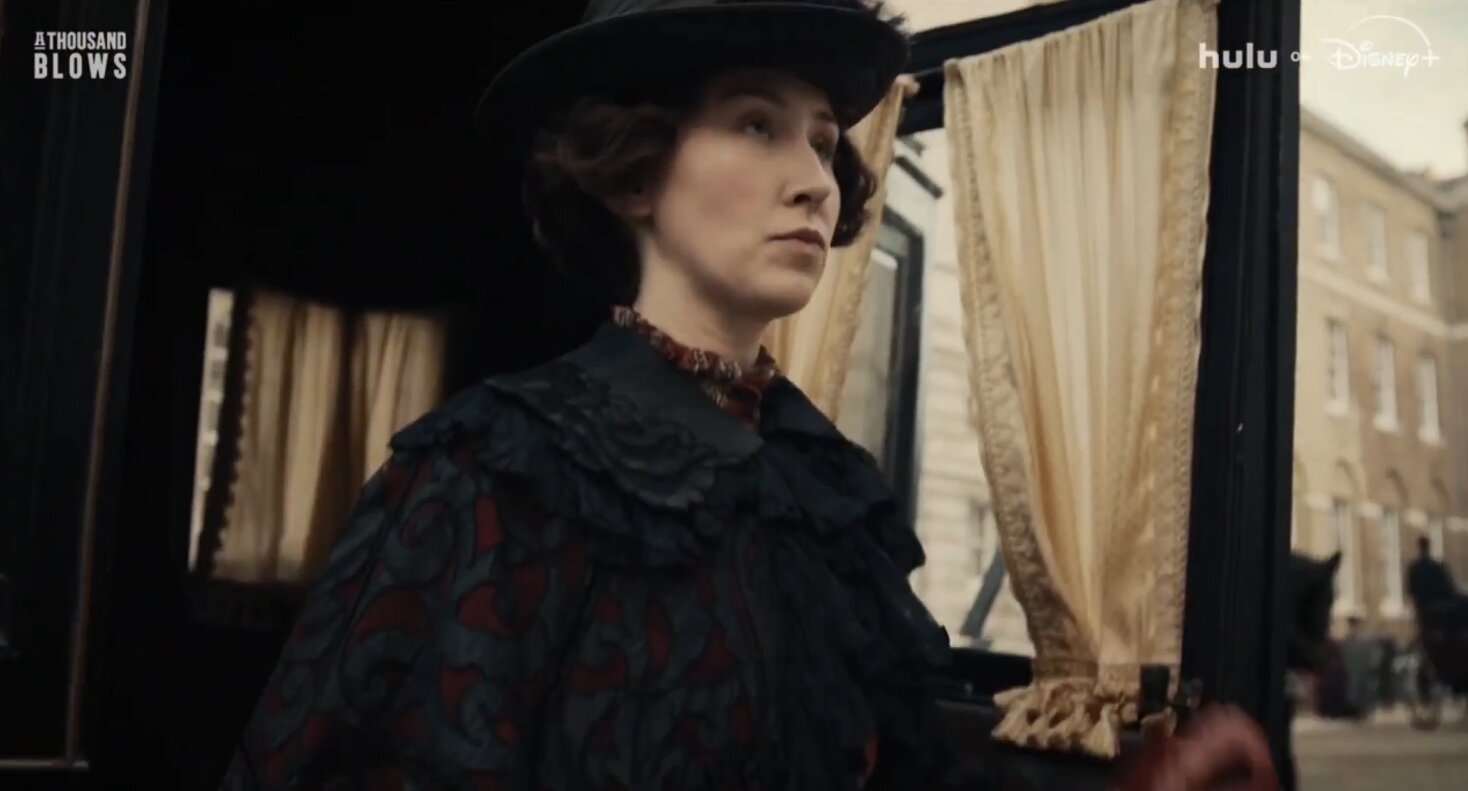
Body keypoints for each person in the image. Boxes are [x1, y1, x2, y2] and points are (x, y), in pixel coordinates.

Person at [217, 2, 1277, 789]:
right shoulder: (490, 472)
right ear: (634, 172)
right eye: (758, 124)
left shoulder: (828, 490)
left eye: (821, 138)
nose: (815, 177)